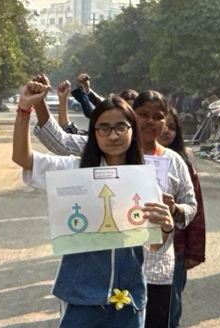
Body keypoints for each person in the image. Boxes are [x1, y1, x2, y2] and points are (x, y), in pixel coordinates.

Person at [30, 78, 197, 328]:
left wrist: (173, 211)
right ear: (133, 118)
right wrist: (36, 105)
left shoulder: (174, 161)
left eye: (158, 116)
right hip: (110, 276)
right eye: (142, 114)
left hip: (157, 267)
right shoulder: (104, 148)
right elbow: (60, 142)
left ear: (166, 121)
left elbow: (191, 206)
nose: (150, 121)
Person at [159, 107, 206, 328]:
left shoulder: (183, 164)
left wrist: (194, 252)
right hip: (138, 250)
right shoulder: (129, 161)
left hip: (175, 250)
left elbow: (195, 212)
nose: (165, 131)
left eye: (171, 127)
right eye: (162, 125)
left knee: (171, 306)